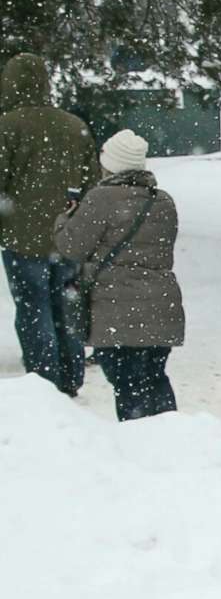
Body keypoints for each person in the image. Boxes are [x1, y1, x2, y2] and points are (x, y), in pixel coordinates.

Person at [53, 129, 183, 421]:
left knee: (128, 386)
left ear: (111, 163)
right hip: (161, 305)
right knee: (155, 377)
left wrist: (66, 217)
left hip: (117, 309)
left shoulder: (101, 198)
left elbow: (71, 246)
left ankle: (139, 449)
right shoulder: (163, 200)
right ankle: (172, 440)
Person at [0, 52, 95, 397]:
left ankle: (44, 382)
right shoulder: (74, 125)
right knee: (65, 304)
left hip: (22, 238)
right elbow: (91, 183)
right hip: (68, 237)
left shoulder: (7, 126)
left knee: (33, 307)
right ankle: (71, 375)